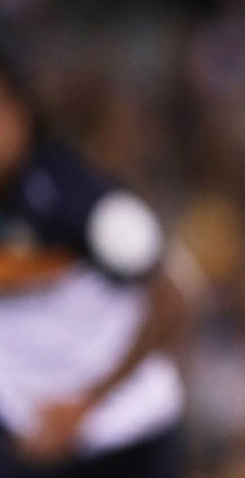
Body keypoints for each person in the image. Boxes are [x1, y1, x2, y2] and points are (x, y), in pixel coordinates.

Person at [0, 52, 187, 477]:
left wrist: (88, 402)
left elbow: (174, 301)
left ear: (21, 113)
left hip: (123, 439)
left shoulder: (82, 200)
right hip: (25, 441)